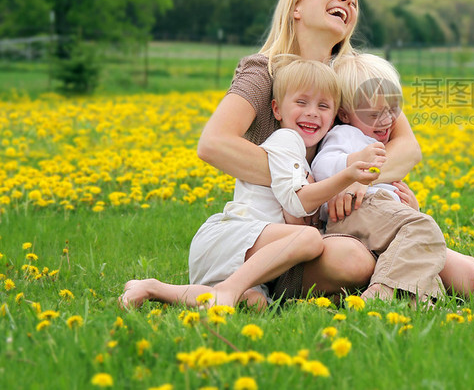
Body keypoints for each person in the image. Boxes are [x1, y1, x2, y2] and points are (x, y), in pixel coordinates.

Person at [196, 0, 474, 299]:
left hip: (353, 219)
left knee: (472, 278)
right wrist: (323, 187)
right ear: (297, 8)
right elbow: (214, 144)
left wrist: (360, 181)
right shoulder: (265, 71)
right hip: (290, 229)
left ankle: (382, 282)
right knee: (352, 262)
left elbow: (407, 147)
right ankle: (358, 284)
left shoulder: (352, 75)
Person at [120, 58, 383, 309]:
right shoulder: (286, 141)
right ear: (277, 109)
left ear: (335, 114)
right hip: (233, 236)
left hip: (253, 259)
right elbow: (298, 201)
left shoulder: (310, 160)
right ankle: (230, 289)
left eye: (323, 107)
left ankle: (154, 288)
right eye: (302, 102)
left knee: (254, 304)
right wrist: (348, 176)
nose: (312, 113)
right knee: (310, 238)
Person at [312, 53, 447, 302]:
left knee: (424, 256)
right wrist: (352, 166)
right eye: (374, 115)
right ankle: (380, 294)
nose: (386, 121)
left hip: (376, 213)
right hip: (355, 211)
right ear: (343, 115)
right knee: (421, 227)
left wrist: (407, 206)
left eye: (392, 110)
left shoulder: (374, 138)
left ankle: (422, 304)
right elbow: (321, 166)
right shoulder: (346, 134)